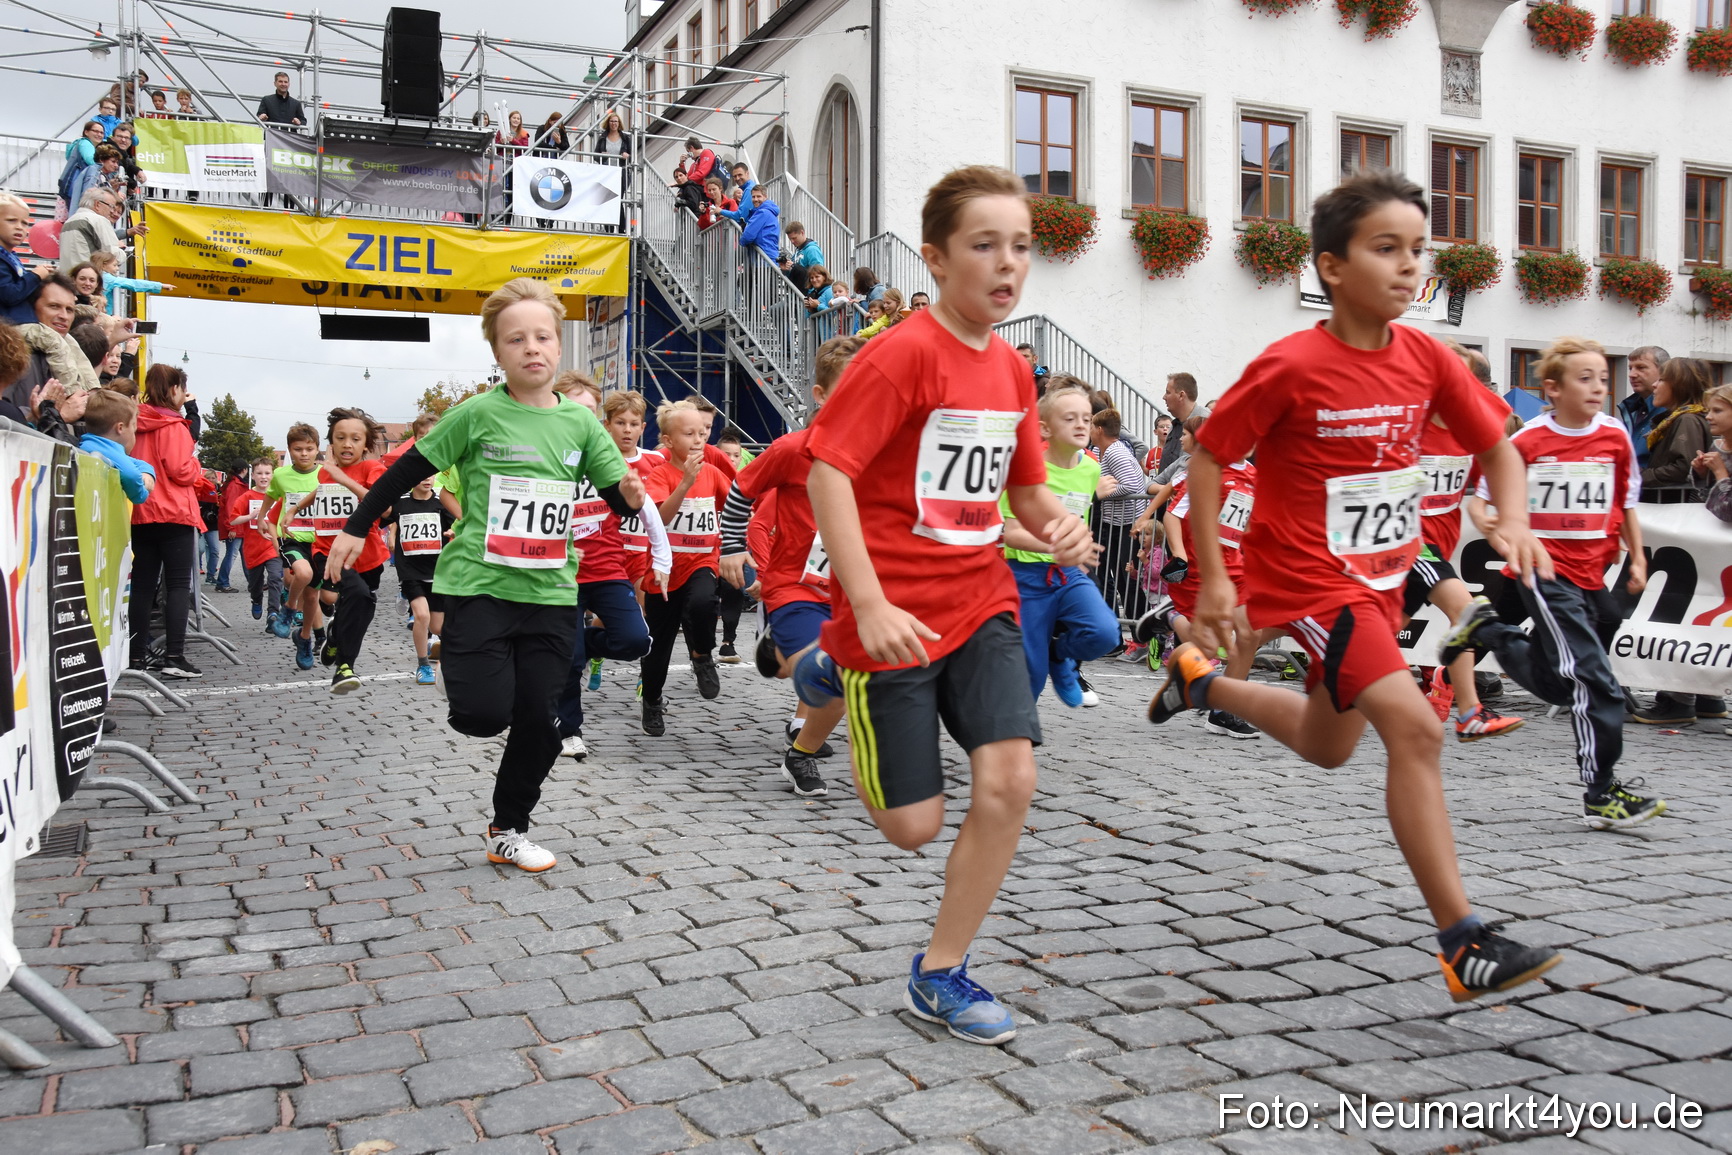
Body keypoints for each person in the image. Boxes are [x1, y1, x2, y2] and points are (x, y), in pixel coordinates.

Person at [1152, 168, 1562, 1003]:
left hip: (1377, 584)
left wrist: (1513, 519)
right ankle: (1463, 941)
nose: (1411, 267)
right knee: (1415, 730)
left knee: (1326, 743)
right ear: (1332, 266)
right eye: (1388, 249)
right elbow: (1208, 457)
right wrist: (1219, 575)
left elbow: (1500, 447)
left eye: (1420, 250)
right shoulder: (1292, 364)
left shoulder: (1426, 358)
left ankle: (1201, 687)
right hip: (1308, 582)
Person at [793, 165, 1094, 1046]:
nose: (1009, 265)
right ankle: (829, 663)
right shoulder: (899, 355)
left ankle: (941, 971)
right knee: (910, 828)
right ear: (935, 258)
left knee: (1011, 779)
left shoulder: (1010, 369)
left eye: (1023, 247)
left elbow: (1027, 493)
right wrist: (868, 602)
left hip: (981, 600)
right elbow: (828, 472)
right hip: (891, 618)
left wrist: (1060, 528)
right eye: (985, 245)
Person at [325, 280, 642, 871]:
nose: (532, 348)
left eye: (543, 336)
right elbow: (402, 472)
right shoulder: (476, 415)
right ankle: (463, 665)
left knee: (541, 726)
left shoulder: (580, 424)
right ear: (498, 352)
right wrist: (354, 526)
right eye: (515, 339)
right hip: (478, 585)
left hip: (550, 591)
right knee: (481, 717)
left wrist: (625, 492)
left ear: (557, 345)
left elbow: (617, 501)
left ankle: (508, 828)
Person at [1446, 335, 1662, 829]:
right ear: (1552, 389)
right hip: (1543, 571)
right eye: (1585, 379)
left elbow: (1625, 502)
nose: (1598, 389)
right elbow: (1481, 500)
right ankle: (1601, 791)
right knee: (1594, 680)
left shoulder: (1613, 437)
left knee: (1560, 684)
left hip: (1593, 573)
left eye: (1604, 380)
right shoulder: (1526, 442)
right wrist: (1496, 530)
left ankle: (1486, 629)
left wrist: (1637, 557)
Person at [720, 335, 864, 795]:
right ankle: (785, 643)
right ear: (821, 396)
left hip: (856, 593)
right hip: (796, 588)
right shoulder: (792, 449)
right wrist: (731, 548)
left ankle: (799, 754)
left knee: (845, 681)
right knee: (828, 671)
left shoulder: (881, 455)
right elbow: (743, 489)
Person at [1404, 341, 1524, 741]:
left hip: (1437, 545)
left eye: (1462, 375)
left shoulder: (1472, 427)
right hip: (1405, 543)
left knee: (1374, 634)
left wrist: (1501, 517)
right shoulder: (1407, 425)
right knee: (1469, 613)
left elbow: (1492, 475)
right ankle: (1470, 712)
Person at [553, 374, 668, 758]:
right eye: (572, 408)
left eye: (588, 410)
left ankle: (579, 644)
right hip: (559, 575)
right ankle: (569, 730)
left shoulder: (609, 457)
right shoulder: (544, 455)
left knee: (636, 640)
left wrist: (662, 560)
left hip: (607, 569)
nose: (580, 417)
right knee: (568, 663)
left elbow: (647, 508)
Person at [1134, 414, 1263, 738]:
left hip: (1235, 565)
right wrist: (1179, 555)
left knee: (1248, 636)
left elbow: (1245, 521)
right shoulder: (1206, 470)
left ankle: (1222, 710)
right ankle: (1171, 616)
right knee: (1211, 645)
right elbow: (1175, 515)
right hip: (1202, 564)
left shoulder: (1252, 474)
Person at [1001, 384, 1121, 710]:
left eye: (1086, 418)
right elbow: (1011, 533)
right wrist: (1058, 546)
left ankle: (1060, 654)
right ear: (1045, 429)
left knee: (1105, 633)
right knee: (1030, 673)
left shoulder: (1091, 468)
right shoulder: (1026, 468)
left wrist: (1075, 551)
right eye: (1070, 418)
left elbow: (1076, 513)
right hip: (1025, 577)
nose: (1081, 425)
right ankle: (1016, 741)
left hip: (1069, 573)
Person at [638, 400, 732, 735]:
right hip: (664, 572)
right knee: (657, 648)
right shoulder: (660, 474)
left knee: (705, 602)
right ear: (667, 440)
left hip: (702, 560)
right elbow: (659, 518)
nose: (697, 439)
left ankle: (702, 655)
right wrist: (685, 483)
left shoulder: (713, 473)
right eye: (688, 433)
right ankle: (651, 701)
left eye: (703, 433)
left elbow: (735, 503)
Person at [287, 407, 392, 694]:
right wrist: (295, 508)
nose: (348, 444)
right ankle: (345, 667)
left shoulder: (373, 469)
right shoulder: (325, 473)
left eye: (356, 439)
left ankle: (334, 637)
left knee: (361, 607)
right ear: (331, 443)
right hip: (327, 553)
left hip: (368, 556)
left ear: (366, 444)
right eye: (340, 438)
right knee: (355, 595)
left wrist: (341, 477)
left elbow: (384, 507)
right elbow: (319, 491)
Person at [129, 363, 204, 679]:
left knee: (143, 586)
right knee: (176, 586)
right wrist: (198, 467)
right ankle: (174, 655)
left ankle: (135, 655)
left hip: (141, 511)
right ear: (175, 390)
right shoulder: (174, 427)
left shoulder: (135, 421)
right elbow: (181, 470)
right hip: (173, 512)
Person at [256, 423, 325, 660]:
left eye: (309, 448)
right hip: (291, 538)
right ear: (288, 450)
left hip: (318, 542)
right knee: (302, 575)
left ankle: (304, 638)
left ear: (317, 449)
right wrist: (262, 518)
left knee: (313, 597)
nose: (303, 454)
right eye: (298, 449)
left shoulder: (324, 475)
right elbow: (271, 496)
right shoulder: (281, 475)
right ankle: (288, 609)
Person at [387, 475, 453, 686]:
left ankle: (444, 653)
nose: (427, 479)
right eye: (421, 476)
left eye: (431, 475)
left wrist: (452, 533)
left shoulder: (441, 504)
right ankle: (423, 664)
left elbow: (456, 528)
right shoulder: (401, 503)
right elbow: (385, 517)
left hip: (437, 571)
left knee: (437, 625)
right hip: (410, 572)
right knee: (421, 616)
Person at [1089, 407, 1148, 627]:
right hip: (1113, 523)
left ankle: (1141, 633)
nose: (1089, 431)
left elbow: (1132, 484)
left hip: (1127, 524)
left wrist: (1103, 494)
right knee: (1115, 578)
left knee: (1127, 579)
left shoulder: (1115, 451)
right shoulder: (1100, 451)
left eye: (1092, 427)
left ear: (1100, 429)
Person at [1639, 356, 1712, 504]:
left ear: (1679, 385)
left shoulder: (1687, 420)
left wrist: (1640, 475)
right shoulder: (1676, 419)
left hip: (1675, 513)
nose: (1654, 385)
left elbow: (1683, 468)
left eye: (1661, 380)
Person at [77, 387, 155, 504]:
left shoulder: (92, 445)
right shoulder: (107, 451)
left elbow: (138, 463)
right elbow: (131, 475)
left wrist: (147, 472)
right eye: (134, 429)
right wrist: (142, 493)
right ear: (120, 428)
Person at [230, 458, 283, 628]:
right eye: (259, 473)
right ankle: (256, 600)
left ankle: (273, 612)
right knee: (255, 584)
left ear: (273, 475)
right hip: (253, 548)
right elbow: (233, 520)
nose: (264, 477)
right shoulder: (246, 496)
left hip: (272, 546)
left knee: (275, 577)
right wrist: (250, 516)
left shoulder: (278, 496)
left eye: (267, 473)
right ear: (253, 475)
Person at [1619, 346, 1669, 470]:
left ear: (1664, 371)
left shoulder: (1671, 410)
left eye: (1641, 367)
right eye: (1630, 368)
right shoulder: (1632, 409)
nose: (1631, 375)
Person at [0, 192, 43, 325]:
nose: (19, 227)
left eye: (25, 223)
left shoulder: (11, 256)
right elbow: (8, 295)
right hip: (10, 327)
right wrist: (35, 276)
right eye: (11, 220)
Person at [1694, 383, 1732, 525]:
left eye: (1717, 411)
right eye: (1708, 411)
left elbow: (1729, 511)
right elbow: (1708, 501)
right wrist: (1703, 474)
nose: (1708, 417)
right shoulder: (1716, 447)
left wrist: (1720, 472)